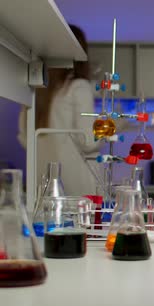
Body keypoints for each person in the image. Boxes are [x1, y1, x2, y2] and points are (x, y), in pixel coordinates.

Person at [17, 25, 103, 196]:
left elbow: (25, 139)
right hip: (75, 189)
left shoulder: (35, 89)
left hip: (41, 187)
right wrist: (110, 126)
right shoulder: (78, 87)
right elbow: (89, 142)